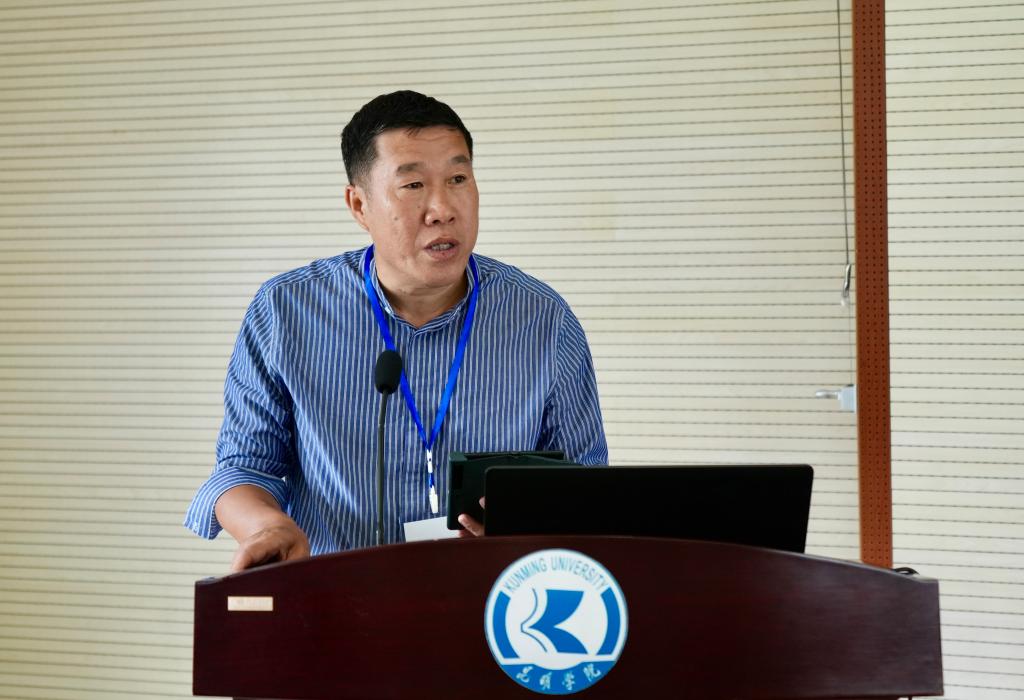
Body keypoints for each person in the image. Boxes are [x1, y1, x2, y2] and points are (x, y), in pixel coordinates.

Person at [184, 90, 607, 571]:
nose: (442, 208)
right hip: (335, 595)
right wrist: (266, 527)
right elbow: (244, 467)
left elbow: (586, 487)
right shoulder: (286, 312)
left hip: (492, 599)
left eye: (458, 179)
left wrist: (530, 527)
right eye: (413, 185)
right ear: (359, 205)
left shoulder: (542, 320)